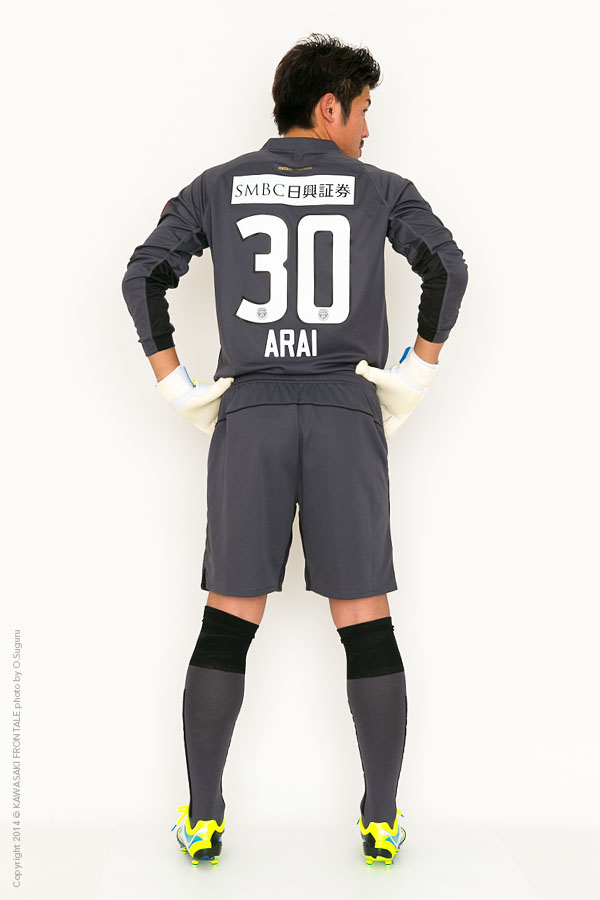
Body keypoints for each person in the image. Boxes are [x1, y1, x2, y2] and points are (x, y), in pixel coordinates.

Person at [121, 32, 468, 868]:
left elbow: (143, 274)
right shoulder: (380, 189)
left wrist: (175, 384)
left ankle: (204, 820)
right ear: (329, 106)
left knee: (227, 619)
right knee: (366, 619)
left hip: (252, 415)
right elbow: (448, 269)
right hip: (347, 412)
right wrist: (417, 371)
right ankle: (380, 821)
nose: (368, 130)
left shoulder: (217, 185)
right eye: (364, 111)